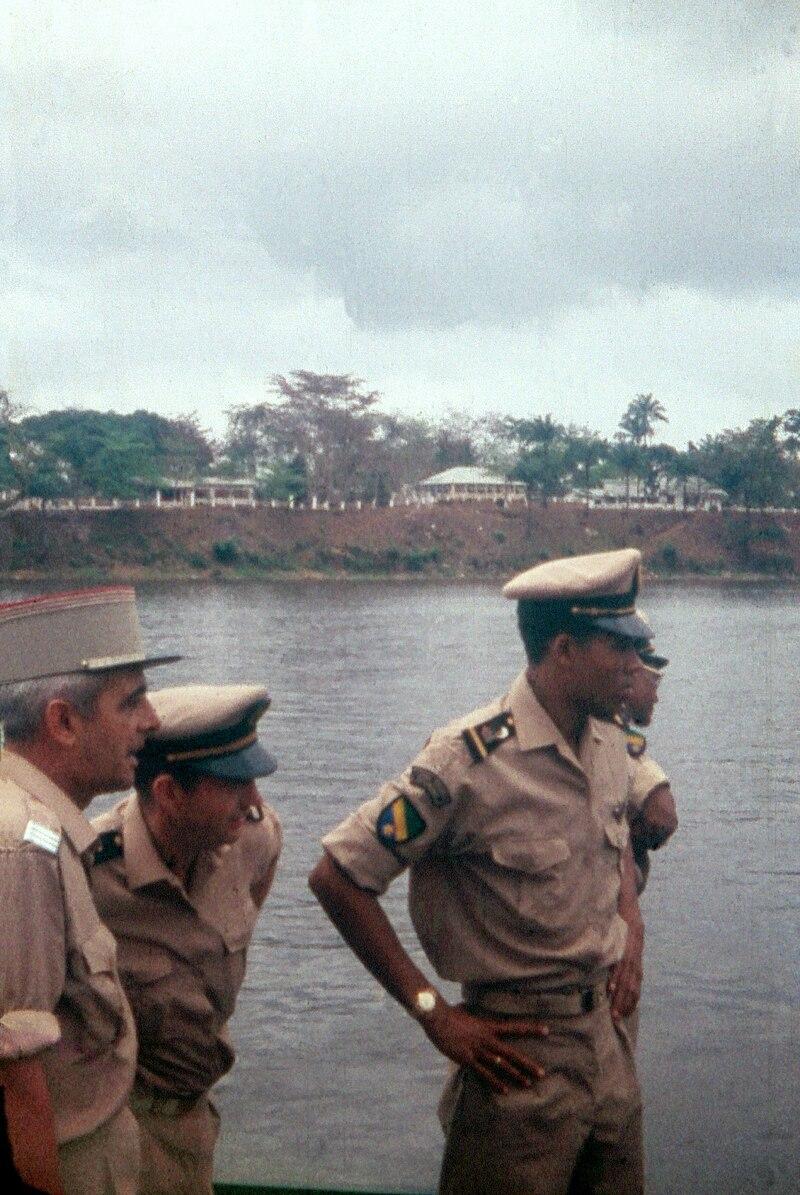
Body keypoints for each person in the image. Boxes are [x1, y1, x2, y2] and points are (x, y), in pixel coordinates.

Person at [310, 547, 653, 1195]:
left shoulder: (610, 740)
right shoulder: (465, 763)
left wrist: (631, 923)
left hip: (609, 1048)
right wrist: (432, 1012)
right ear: (563, 649)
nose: (636, 665)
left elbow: (619, 839)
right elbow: (338, 876)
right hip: (517, 1060)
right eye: (619, 647)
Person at [0, 585, 176, 1195]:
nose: (150, 721)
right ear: (63, 722)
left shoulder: (41, 830)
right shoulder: (22, 847)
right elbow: (16, 1080)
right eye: (130, 702)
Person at [90, 684, 283, 1195]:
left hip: (194, 1121)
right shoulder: (87, 876)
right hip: (115, 1127)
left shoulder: (253, 839)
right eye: (235, 785)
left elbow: (251, 893)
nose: (255, 803)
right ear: (170, 794)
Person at [621, 647, 678, 894]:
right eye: (653, 682)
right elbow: (662, 816)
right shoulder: (608, 736)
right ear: (631, 678)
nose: (656, 697)